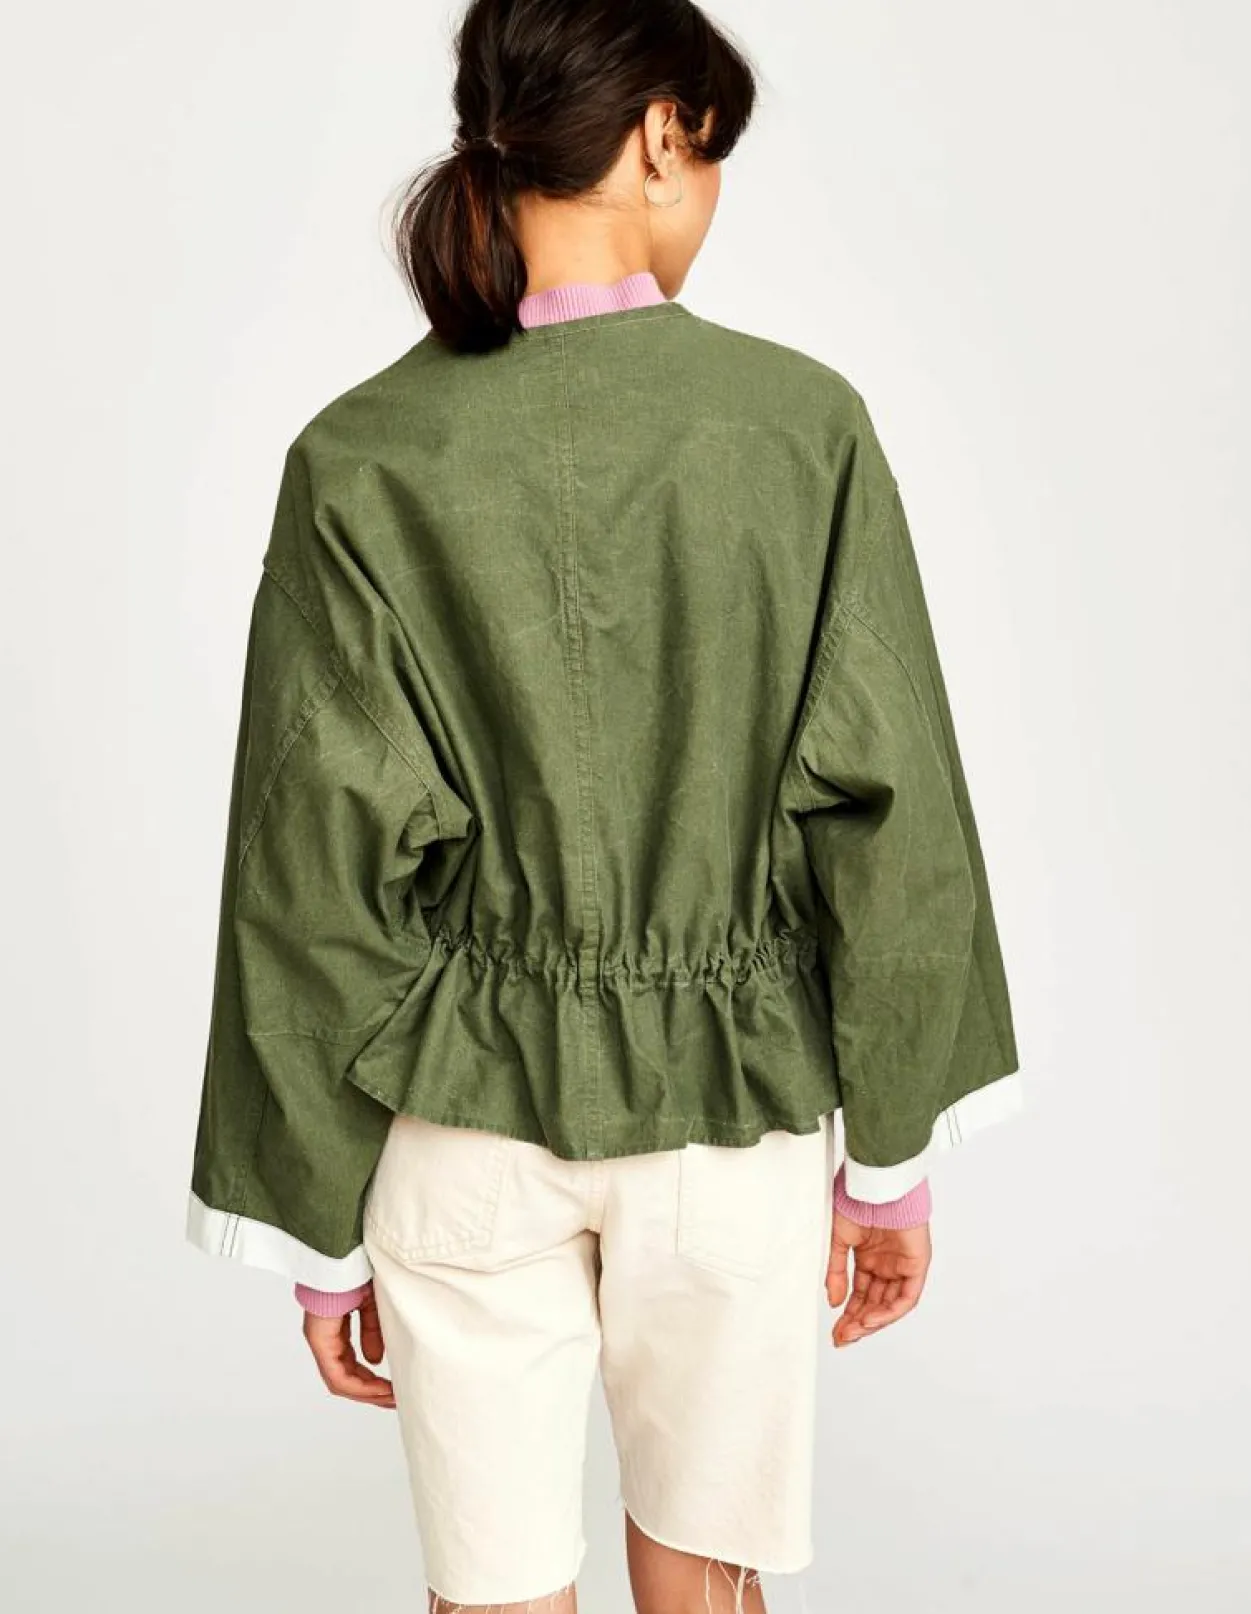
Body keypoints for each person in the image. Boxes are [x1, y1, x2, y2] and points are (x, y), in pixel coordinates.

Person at [183, 2, 1022, 1610]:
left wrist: (315, 1233)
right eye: (712, 149)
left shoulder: (356, 458)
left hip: (457, 1125)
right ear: (658, 136)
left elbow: (307, 874)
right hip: (730, 1119)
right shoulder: (803, 429)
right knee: (706, 1586)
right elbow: (890, 811)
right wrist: (889, 1160)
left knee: (491, 1596)